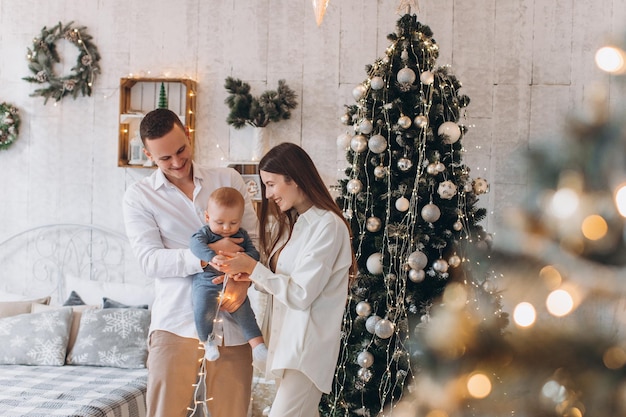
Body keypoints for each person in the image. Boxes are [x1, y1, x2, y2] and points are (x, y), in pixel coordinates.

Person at [122, 108, 259, 417]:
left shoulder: (228, 179)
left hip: (234, 323)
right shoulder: (139, 196)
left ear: (188, 134)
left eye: (181, 150)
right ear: (148, 155)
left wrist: (241, 282)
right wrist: (206, 254)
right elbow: (149, 261)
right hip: (175, 322)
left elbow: (256, 243)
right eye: (164, 158)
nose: (176, 162)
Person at [211, 142, 356, 417]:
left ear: (295, 178)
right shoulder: (296, 224)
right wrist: (249, 277)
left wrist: (254, 269)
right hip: (287, 347)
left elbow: (301, 295)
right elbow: (284, 284)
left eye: (271, 184)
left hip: (306, 351)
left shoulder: (328, 226)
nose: (268, 194)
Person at [189, 186, 267, 365]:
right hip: (207, 280)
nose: (226, 228)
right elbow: (195, 245)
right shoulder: (206, 233)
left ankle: (258, 345)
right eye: (220, 222)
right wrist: (211, 256)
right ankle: (208, 341)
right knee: (202, 308)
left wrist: (244, 259)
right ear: (207, 217)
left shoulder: (242, 235)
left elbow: (254, 254)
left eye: (233, 223)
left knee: (245, 311)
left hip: (233, 282)